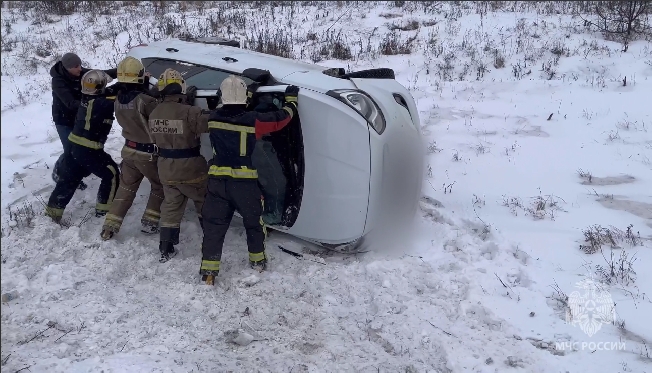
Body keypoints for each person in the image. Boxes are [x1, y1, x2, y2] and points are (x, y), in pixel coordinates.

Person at [199, 75, 299, 285]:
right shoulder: (254, 120)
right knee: (254, 224)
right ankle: (258, 261)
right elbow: (282, 118)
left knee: (214, 226)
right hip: (244, 185)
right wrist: (291, 101)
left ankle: (209, 271)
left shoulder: (214, 117)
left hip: (217, 183)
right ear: (244, 98)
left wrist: (248, 94)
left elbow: (228, 107)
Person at [147, 68, 208, 263]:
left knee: (171, 205)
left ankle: (166, 246)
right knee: (203, 199)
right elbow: (208, 124)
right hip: (190, 166)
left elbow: (171, 124)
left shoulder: (154, 112)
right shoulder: (190, 112)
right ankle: (211, 235)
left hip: (165, 167)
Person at [100, 56, 163, 241]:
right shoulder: (146, 100)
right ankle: (150, 222)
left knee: (126, 189)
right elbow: (161, 113)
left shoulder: (118, 99)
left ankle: (109, 226)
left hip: (129, 151)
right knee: (159, 186)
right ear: (141, 76)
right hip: (148, 153)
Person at [45, 70, 121, 223]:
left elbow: (110, 91)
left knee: (68, 179)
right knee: (111, 174)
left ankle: (52, 213)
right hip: (89, 150)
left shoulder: (86, 97)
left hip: (73, 147)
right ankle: (103, 212)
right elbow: (120, 96)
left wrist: (121, 82)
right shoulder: (103, 103)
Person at [51, 53, 117, 191]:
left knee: (78, 150)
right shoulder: (58, 81)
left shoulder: (81, 72)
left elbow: (102, 75)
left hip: (79, 118)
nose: (80, 69)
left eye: (80, 65)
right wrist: (93, 103)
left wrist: (122, 71)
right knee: (70, 150)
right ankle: (60, 173)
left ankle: (72, 173)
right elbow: (70, 103)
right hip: (63, 120)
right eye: (75, 67)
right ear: (67, 68)